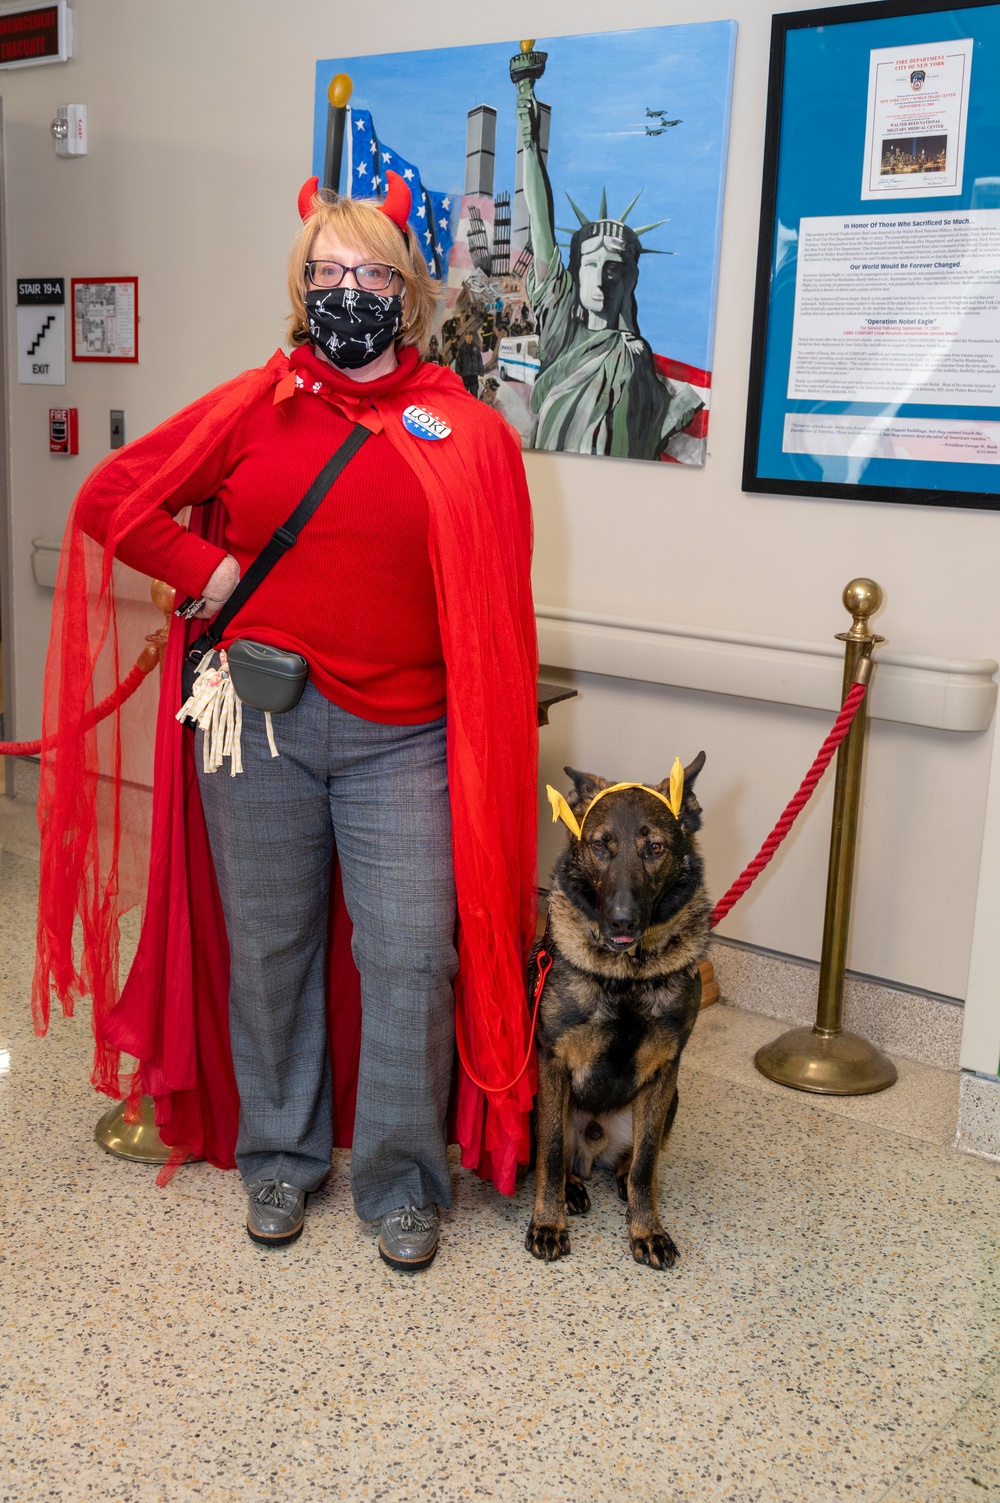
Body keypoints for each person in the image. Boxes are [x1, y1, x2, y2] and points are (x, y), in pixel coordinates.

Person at [34, 172, 539, 1272]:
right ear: (300, 288)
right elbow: (111, 500)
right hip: (257, 727)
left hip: (405, 737)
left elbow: (496, 608)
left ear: (408, 296)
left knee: (410, 956)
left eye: (367, 273)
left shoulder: (467, 434)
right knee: (269, 949)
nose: (344, 290)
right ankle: (279, 1160)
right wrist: (205, 567)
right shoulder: (254, 406)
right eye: (324, 273)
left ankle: (402, 1183)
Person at [514, 86, 703, 460]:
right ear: (575, 270)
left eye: (613, 269)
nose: (600, 280)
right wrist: (529, 141)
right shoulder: (561, 331)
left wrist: (678, 413)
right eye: (590, 265)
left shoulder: (634, 353)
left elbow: (640, 442)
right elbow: (540, 221)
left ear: (629, 279)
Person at [453, 330, 485, 398]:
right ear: (465, 337)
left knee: (474, 396)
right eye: (468, 335)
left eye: (470, 335)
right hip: (465, 376)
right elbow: (458, 362)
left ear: (472, 336)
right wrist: (458, 375)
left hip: (474, 376)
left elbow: (479, 360)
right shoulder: (462, 348)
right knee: (464, 396)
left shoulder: (476, 348)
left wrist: (481, 374)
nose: (469, 337)